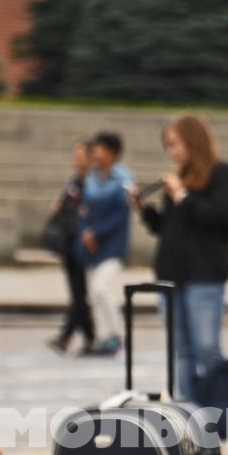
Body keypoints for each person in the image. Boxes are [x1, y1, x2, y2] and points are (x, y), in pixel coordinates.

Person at [134, 115, 228, 398]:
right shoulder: (178, 181)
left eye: (174, 144)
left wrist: (183, 197)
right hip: (172, 275)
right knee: (181, 351)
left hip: (205, 275)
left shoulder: (222, 174)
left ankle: (220, 411)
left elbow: (217, 216)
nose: (171, 152)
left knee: (207, 347)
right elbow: (167, 228)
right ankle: (189, 412)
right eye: (167, 146)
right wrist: (144, 209)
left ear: (193, 142)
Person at [77, 132, 134, 356]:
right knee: (93, 293)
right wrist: (86, 232)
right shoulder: (92, 177)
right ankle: (102, 337)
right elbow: (84, 210)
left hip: (112, 243)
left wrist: (97, 233)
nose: (96, 154)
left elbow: (121, 214)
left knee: (101, 288)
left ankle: (118, 334)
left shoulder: (123, 178)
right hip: (92, 245)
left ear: (112, 152)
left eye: (100, 149)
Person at [46, 140, 94, 354]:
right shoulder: (75, 181)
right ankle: (89, 337)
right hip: (69, 243)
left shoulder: (94, 183)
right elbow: (65, 204)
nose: (76, 159)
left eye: (80, 154)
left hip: (83, 245)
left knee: (79, 295)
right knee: (78, 295)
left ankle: (66, 337)